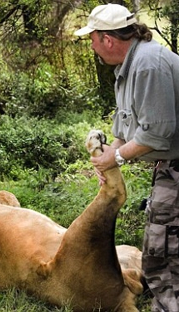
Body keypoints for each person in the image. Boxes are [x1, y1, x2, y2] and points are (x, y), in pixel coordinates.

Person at [75, 3, 179, 312]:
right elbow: (128, 129)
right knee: (162, 242)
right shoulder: (128, 67)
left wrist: (116, 157)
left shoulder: (148, 65)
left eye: (92, 38)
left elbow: (157, 134)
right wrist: (109, 157)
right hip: (170, 165)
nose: (92, 46)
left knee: (162, 248)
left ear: (107, 39)